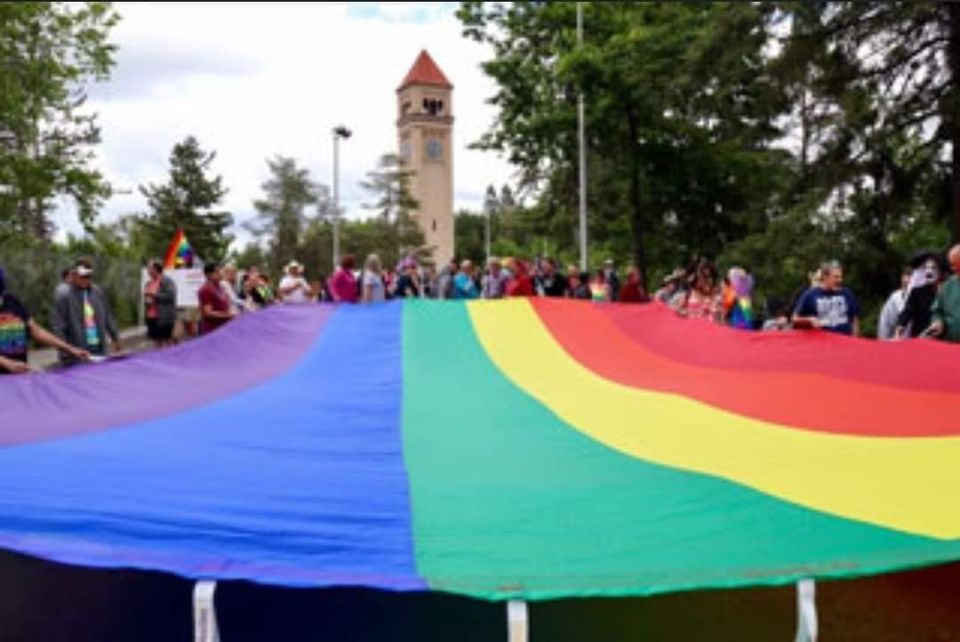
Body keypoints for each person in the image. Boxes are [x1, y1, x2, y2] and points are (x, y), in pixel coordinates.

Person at [0, 265, 90, 374]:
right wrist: (7, 363)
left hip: (19, 377)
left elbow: (37, 332)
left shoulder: (12, 301)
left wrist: (70, 349)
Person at [53, 258, 121, 365]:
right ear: (74, 275)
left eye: (88, 276)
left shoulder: (97, 292)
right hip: (77, 352)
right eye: (82, 276)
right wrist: (64, 351)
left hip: (98, 349)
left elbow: (107, 316)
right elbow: (59, 325)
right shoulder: (64, 295)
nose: (86, 279)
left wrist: (115, 337)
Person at [792, 260, 861, 336]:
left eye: (841, 277)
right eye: (836, 277)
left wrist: (855, 339)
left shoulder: (846, 293)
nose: (840, 280)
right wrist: (809, 320)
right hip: (822, 343)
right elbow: (795, 319)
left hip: (844, 341)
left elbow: (854, 319)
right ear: (825, 277)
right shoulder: (810, 294)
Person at [929, 244, 960, 342]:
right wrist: (938, 322)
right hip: (951, 345)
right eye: (952, 265)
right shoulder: (946, 286)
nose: (953, 268)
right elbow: (936, 311)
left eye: (957, 265)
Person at [143, 260, 177, 348]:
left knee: (167, 341)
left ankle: (169, 359)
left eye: (150, 268)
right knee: (156, 341)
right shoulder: (148, 283)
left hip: (163, 317)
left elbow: (171, 296)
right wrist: (147, 300)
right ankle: (157, 359)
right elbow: (148, 298)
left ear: (156, 269)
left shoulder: (167, 281)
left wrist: (154, 295)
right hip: (151, 316)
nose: (148, 271)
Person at [197, 263, 234, 334]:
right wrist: (228, 315)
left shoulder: (222, 287)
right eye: (217, 271)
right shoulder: (205, 289)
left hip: (224, 328)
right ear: (209, 275)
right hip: (212, 331)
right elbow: (208, 313)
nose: (221, 273)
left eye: (220, 270)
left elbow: (225, 305)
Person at [877, 267, 911, 340]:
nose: (907, 283)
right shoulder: (895, 298)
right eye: (905, 283)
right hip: (898, 343)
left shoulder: (923, 298)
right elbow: (885, 324)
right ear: (901, 279)